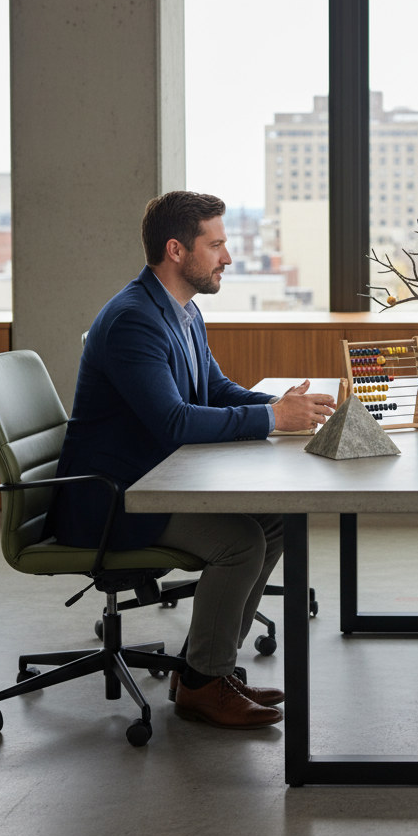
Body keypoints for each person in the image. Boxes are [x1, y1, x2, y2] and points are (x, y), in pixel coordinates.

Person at [51, 190, 336, 729]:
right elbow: (176, 421)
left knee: (272, 521)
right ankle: (203, 684)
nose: (227, 257)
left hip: (152, 480)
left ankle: (202, 667)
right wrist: (275, 420)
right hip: (115, 499)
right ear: (177, 250)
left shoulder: (181, 310)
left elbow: (214, 388)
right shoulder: (135, 320)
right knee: (240, 542)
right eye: (217, 245)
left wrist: (279, 405)